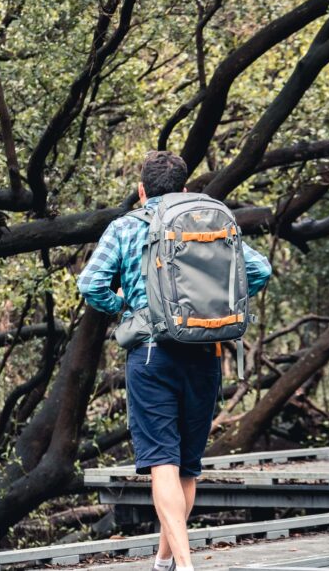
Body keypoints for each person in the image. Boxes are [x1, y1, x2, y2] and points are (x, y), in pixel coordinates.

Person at [77, 150, 272, 571]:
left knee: (161, 462)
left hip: (151, 354)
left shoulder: (126, 226)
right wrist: (220, 303)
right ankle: (165, 561)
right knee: (187, 466)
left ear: (142, 188)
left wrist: (123, 304)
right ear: (184, 188)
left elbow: (90, 283)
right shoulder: (211, 221)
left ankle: (183, 564)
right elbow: (259, 270)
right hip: (205, 350)